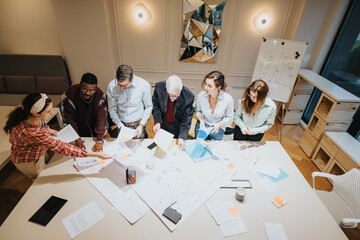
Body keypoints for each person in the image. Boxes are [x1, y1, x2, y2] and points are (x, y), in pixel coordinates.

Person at [3, 93, 110, 180]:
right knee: (42, 178)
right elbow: (62, 148)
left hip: (38, 150)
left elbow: (42, 126)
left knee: (48, 163)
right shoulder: (31, 132)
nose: (52, 112)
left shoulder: (30, 115)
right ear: (36, 113)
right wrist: (95, 155)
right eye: (49, 111)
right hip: (29, 161)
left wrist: (48, 130)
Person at [61, 73, 107, 152]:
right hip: (78, 122)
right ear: (80, 85)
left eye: (92, 91)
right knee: (82, 145)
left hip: (93, 119)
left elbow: (102, 119)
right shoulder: (70, 95)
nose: (88, 93)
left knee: (97, 138)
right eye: (85, 89)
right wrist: (76, 138)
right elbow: (68, 119)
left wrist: (99, 141)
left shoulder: (100, 96)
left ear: (95, 89)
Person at [107, 64, 153, 138]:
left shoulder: (143, 85)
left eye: (125, 85)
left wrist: (141, 125)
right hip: (121, 125)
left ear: (131, 79)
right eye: (119, 85)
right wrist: (120, 125)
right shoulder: (112, 86)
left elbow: (148, 106)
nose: (121, 88)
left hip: (138, 125)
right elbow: (112, 108)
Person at [152, 75, 194, 150]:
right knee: (161, 149)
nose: (173, 98)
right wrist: (157, 121)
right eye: (171, 95)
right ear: (166, 89)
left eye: (176, 96)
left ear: (180, 90)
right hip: (162, 124)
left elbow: (187, 119)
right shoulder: (159, 87)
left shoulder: (188, 96)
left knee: (175, 148)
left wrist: (182, 137)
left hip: (177, 126)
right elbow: (155, 105)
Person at [195, 71, 234, 140]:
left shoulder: (228, 99)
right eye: (205, 84)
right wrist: (201, 120)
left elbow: (229, 117)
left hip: (217, 129)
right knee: (199, 146)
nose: (206, 88)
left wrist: (219, 124)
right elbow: (198, 111)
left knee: (214, 148)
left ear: (218, 87)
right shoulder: (201, 95)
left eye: (210, 86)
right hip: (202, 126)